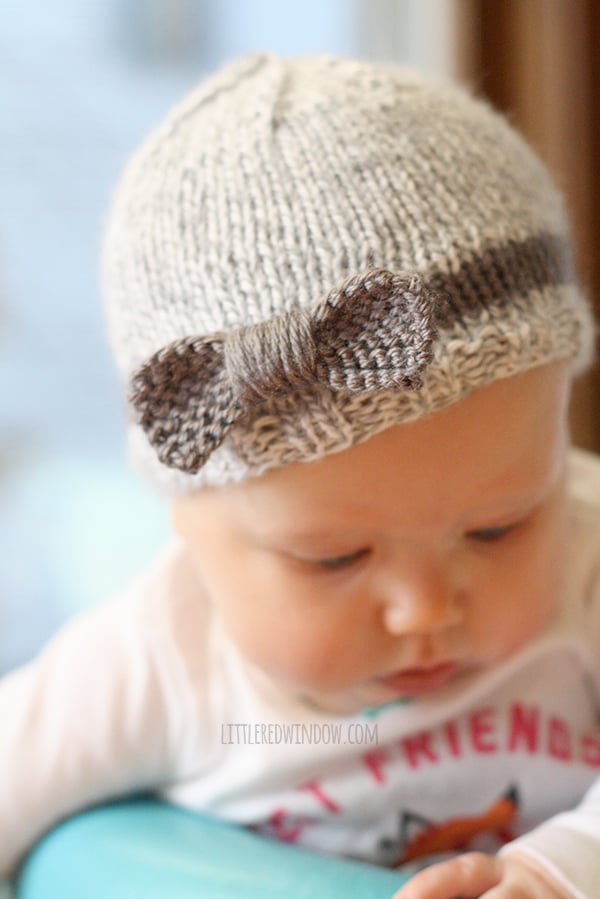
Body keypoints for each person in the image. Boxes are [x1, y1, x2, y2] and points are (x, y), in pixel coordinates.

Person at [1, 53, 599, 899]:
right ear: (186, 521)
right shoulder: (159, 659)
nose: (423, 607)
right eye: (335, 557)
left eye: (499, 526)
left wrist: (558, 870)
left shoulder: (589, 555)